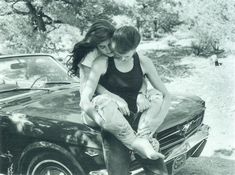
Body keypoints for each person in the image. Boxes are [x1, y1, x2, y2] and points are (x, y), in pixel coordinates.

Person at [81, 25, 171, 175]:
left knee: (158, 173)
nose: (122, 58)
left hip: (141, 123)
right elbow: (85, 99)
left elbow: (166, 95)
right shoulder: (101, 63)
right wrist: (101, 121)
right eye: (118, 54)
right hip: (115, 126)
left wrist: (158, 120)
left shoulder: (144, 62)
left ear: (135, 49)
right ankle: (137, 144)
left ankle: (143, 143)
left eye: (127, 56)